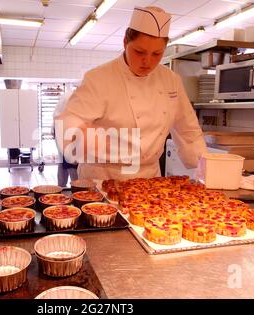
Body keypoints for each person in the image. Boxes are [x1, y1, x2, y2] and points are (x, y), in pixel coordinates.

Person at [55, 6, 207, 180]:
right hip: (102, 178)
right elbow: (68, 121)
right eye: (139, 52)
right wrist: (81, 136)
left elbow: (188, 128)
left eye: (157, 54)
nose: (147, 61)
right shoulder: (98, 78)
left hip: (149, 179)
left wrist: (205, 166)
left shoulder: (171, 80)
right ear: (125, 42)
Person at [53, 90, 78, 187]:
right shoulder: (75, 97)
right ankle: (77, 189)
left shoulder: (69, 95)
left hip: (60, 128)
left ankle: (61, 188)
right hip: (65, 129)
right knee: (71, 163)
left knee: (62, 160)